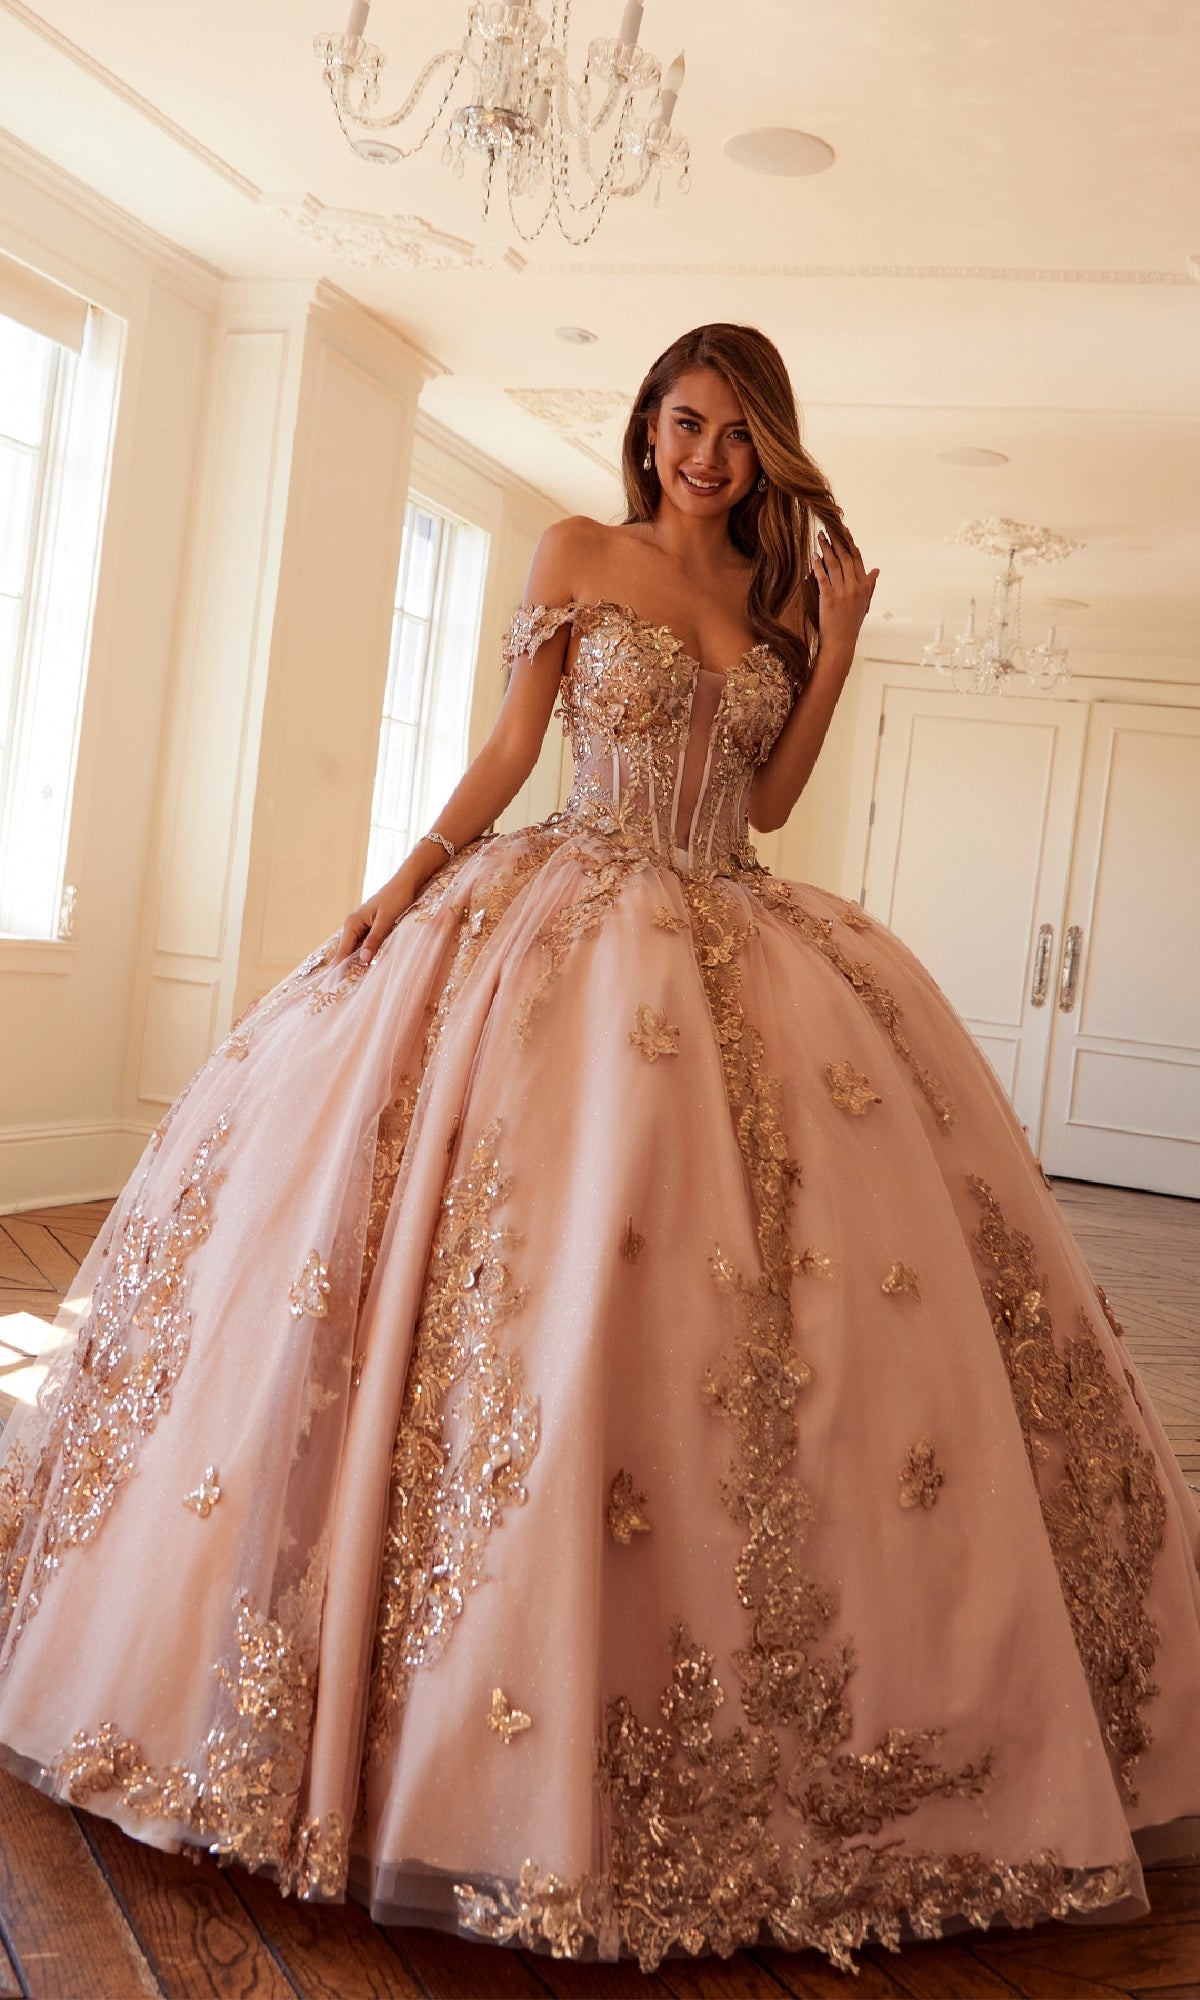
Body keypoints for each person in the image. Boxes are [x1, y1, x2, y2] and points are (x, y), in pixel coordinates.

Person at [0, 322, 1197, 1976]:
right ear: (647, 428)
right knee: (515, 1275)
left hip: (739, 934)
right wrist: (405, 880)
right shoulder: (578, 553)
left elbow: (766, 809)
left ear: (767, 454)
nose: (703, 455)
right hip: (561, 925)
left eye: (734, 435)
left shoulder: (777, 605)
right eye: (684, 422)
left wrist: (837, 643)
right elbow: (510, 755)